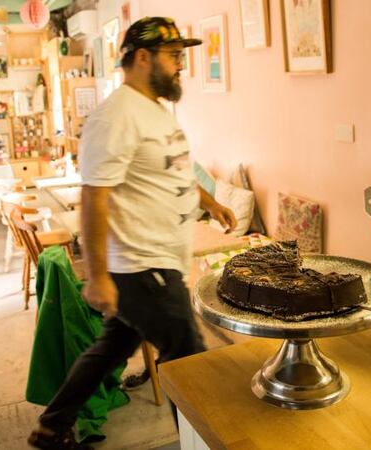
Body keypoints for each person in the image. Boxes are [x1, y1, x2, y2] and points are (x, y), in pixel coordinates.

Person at [28, 17, 237, 450]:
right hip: (144, 265)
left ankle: (52, 424)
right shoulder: (116, 117)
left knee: (111, 347)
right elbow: (94, 197)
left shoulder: (154, 109)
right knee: (190, 363)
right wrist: (99, 276)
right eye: (174, 56)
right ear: (143, 57)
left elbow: (171, 169)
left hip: (158, 261)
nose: (181, 66)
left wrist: (209, 201)